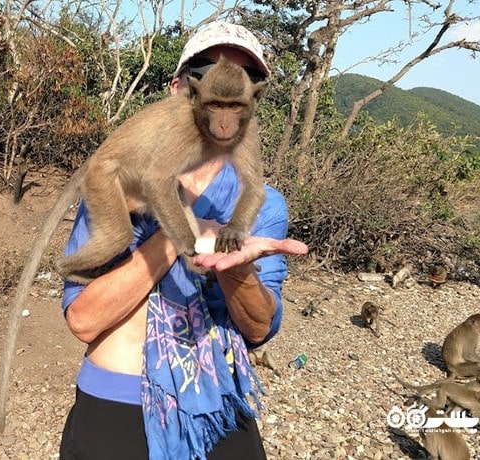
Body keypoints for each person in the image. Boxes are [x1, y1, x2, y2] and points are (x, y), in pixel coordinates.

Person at [58, 21, 308, 460]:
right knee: (117, 239)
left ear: (254, 98)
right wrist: (182, 238)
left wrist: (236, 265)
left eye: (243, 82)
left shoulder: (267, 202)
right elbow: (82, 321)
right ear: (185, 89)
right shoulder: (130, 177)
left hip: (217, 401)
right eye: (208, 72)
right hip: (117, 399)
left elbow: (259, 330)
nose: (225, 111)